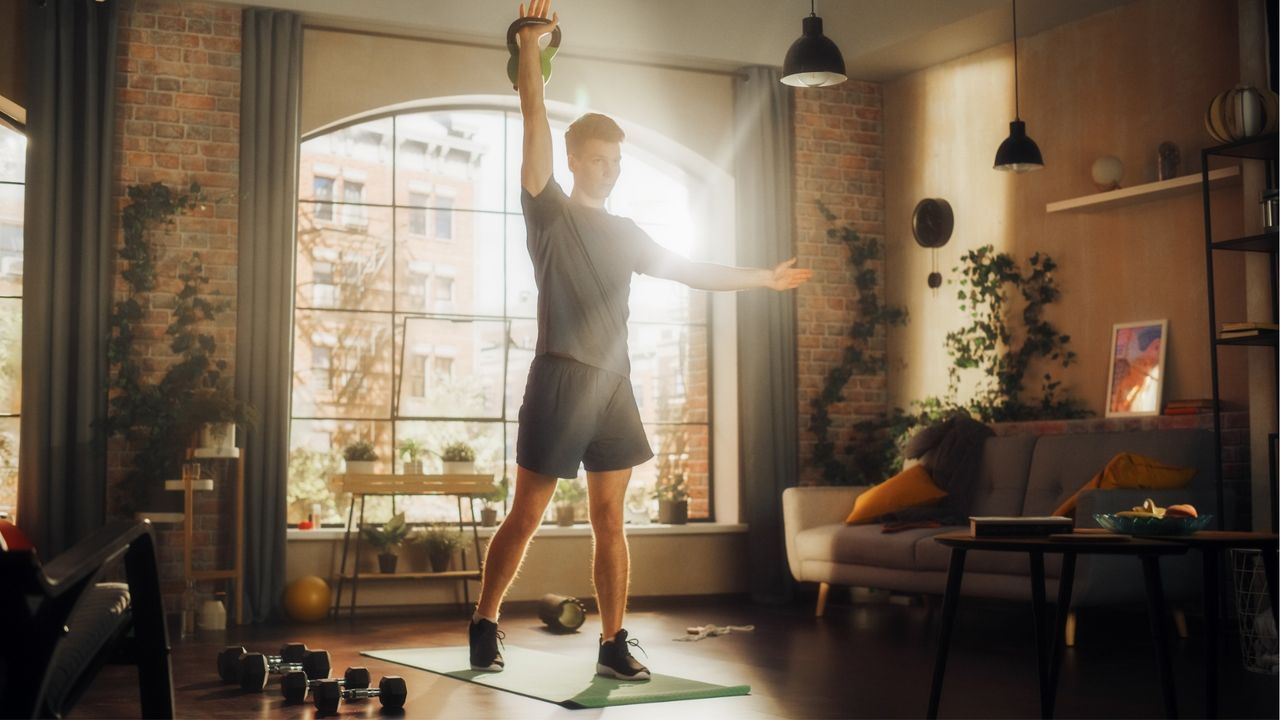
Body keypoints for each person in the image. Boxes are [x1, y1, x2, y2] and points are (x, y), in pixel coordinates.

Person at [469, 0, 814, 681]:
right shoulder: (548, 212)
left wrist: (763, 278)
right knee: (529, 513)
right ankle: (484, 621)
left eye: (616, 161)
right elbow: (533, 116)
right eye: (598, 160)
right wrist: (532, 51)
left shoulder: (627, 231)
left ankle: (613, 640)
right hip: (561, 376)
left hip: (613, 386)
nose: (610, 170)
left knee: (611, 520)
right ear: (574, 160)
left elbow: (692, 270)